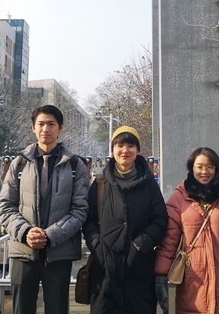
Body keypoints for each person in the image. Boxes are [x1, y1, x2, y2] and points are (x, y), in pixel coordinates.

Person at [0, 105, 89, 314]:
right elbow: (5, 206)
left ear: (60, 128)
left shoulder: (75, 165)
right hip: (23, 251)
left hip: (59, 252)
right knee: (22, 308)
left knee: (57, 308)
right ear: (33, 127)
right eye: (40, 124)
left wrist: (49, 236)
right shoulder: (20, 163)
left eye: (51, 124)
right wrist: (26, 232)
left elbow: (80, 210)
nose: (45, 129)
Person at [154, 147, 219, 314]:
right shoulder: (179, 199)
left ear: (216, 169)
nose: (204, 171)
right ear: (191, 168)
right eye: (199, 166)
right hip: (192, 282)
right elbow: (168, 241)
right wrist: (161, 274)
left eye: (209, 167)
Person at [83, 126, 168, 314]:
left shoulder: (149, 185)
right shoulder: (100, 184)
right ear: (112, 150)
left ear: (137, 150)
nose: (125, 150)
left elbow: (160, 220)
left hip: (139, 269)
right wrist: (97, 246)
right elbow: (88, 220)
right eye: (119, 145)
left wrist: (141, 243)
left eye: (130, 146)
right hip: (105, 270)